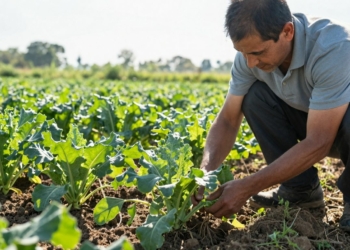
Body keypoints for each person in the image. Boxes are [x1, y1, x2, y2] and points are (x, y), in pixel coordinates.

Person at [191, 0, 350, 231]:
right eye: (243, 53)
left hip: (339, 126)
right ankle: (300, 191)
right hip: (314, 119)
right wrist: (204, 173)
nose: (250, 62)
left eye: (258, 52)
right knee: (253, 96)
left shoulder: (333, 47)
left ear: (287, 31)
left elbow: (319, 142)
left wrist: (248, 186)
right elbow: (227, 119)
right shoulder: (249, 57)